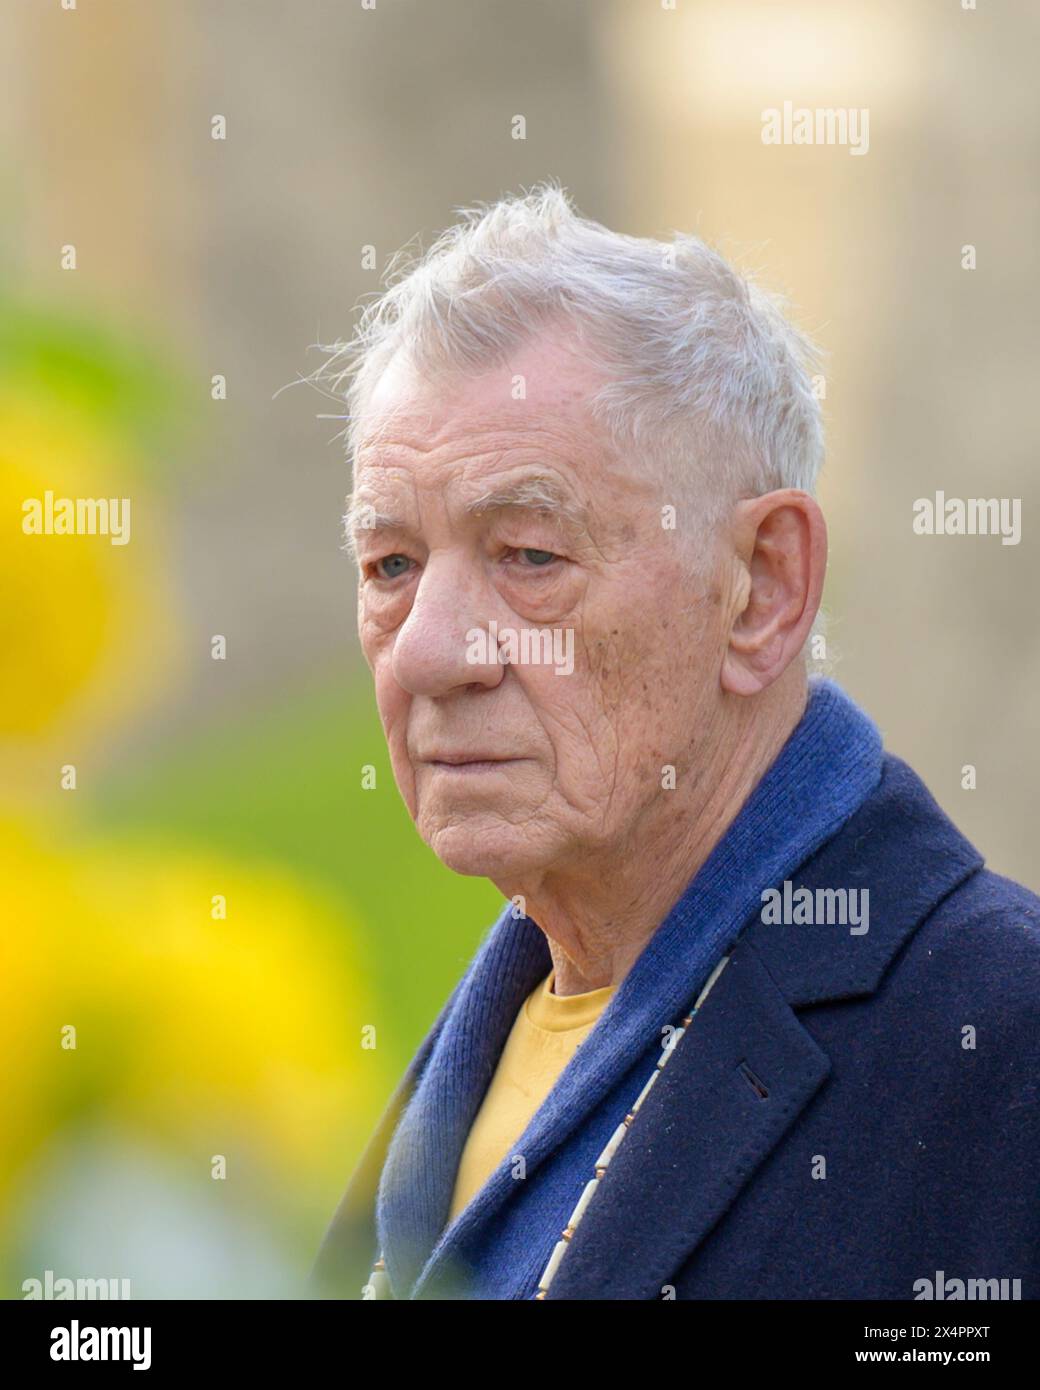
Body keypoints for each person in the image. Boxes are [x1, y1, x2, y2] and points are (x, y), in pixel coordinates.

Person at [310, 183, 1040, 1301]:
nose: (426, 653)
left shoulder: (993, 1037)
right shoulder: (495, 1031)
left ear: (760, 589)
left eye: (528, 555)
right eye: (391, 566)